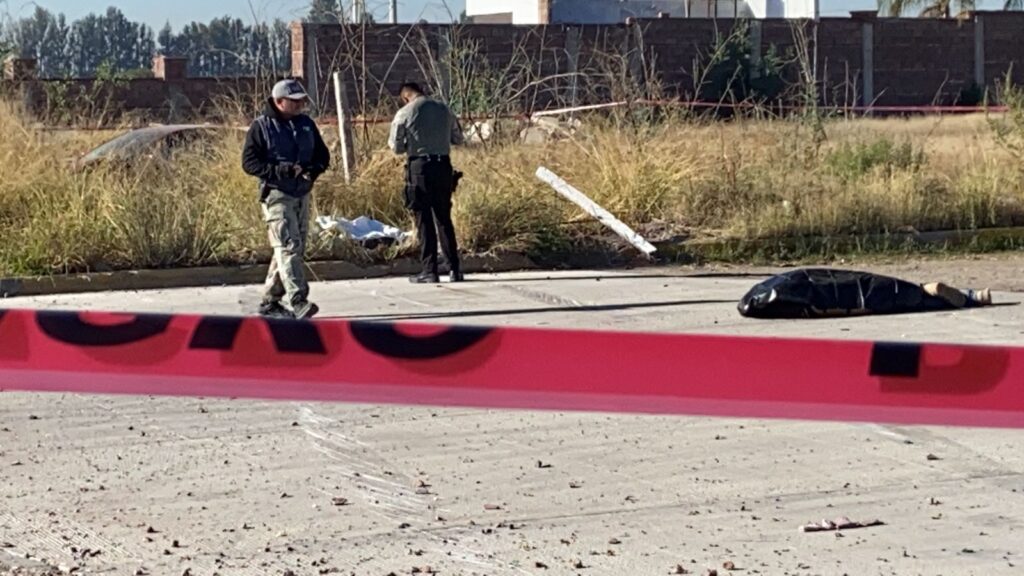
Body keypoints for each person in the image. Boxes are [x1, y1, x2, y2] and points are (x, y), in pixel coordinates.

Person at [242, 78, 331, 319]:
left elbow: (322, 154)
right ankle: (298, 300)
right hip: (276, 194)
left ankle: (270, 301)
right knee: (288, 246)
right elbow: (249, 163)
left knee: (293, 247)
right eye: (294, 101)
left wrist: (313, 170)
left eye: (301, 100)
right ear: (279, 101)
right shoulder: (261, 127)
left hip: (302, 192)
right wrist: (280, 170)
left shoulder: (306, 124)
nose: (300, 105)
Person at [388, 82, 465, 284]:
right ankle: (454, 269)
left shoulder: (405, 112)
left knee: (424, 219)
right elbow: (458, 138)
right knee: (444, 219)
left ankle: (429, 270)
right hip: (443, 167)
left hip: (420, 167)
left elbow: (395, 147)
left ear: (405, 97)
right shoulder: (444, 109)